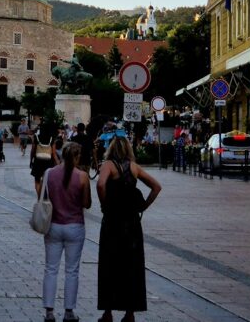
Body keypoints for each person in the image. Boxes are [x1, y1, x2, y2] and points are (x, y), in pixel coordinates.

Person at [96, 136, 162, 322]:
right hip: (132, 223)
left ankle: (108, 312)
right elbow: (156, 187)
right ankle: (130, 313)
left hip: (113, 221)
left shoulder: (108, 164)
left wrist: (105, 204)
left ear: (111, 149)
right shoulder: (134, 167)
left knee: (110, 265)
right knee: (132, 267)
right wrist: (143, 207)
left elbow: (101, 184)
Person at [41, 143, 91, 322]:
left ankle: (49, 311)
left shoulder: (49, 174)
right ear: (77, 157)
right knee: (72, 271)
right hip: (75, 227)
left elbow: (42, 197)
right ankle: (69, 311)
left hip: (53, 226)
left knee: (51, 269)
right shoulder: (83, 176)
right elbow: (86, 203)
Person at [30, 122, 57, 193]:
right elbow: (54, 153)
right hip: (48, 162)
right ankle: (46, 196)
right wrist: (57, 163)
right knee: (48, 180)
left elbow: (33, 150)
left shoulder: (36, 137)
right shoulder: (52, 138)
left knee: (37, 180)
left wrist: (31, 160)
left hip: (38, 161)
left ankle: (39, 197)